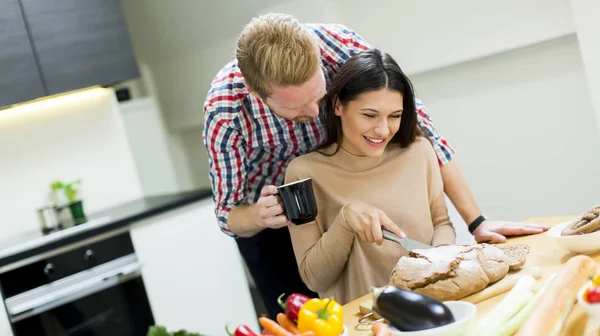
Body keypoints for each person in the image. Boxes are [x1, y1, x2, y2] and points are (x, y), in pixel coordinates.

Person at [202, 13, 548, 315]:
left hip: (352, 175)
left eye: (319, 98)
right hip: (272, 214)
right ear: (253, 89)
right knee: (300, 317)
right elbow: (227, 213)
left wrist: (477, 222)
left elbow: (429, 137)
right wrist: (259, 216)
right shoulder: (224, 109)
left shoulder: (339, 45)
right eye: (294, 110)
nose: (312, 115)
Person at [285, 48, 455, 303]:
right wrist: (345, 221)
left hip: (435, 304)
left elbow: (441, 222)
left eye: (394, 116)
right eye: (370, 115)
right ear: (338, 105)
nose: (383, 130)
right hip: (362, 326)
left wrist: (441, 255)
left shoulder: (419, 151)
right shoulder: (302, 173)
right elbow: (314, 278)